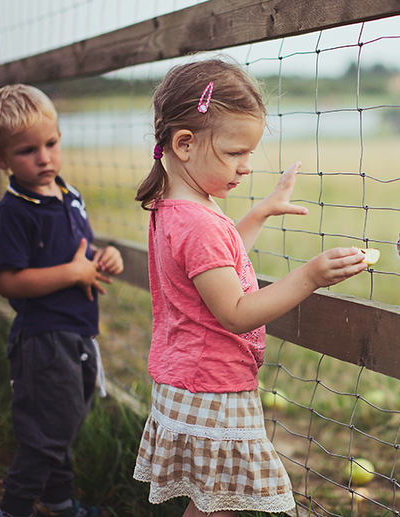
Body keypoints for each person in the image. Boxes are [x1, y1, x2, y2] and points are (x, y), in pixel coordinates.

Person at [132, 58, 368, 516]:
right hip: (212, 386)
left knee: (209, 504)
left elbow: (214, 267)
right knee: (216, 508)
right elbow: (235, 312)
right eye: (235, 153)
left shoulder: (177, 206)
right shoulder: (199, 222)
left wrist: (259, 213)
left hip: (188, 379)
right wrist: (309, 276)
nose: (246, 167)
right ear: (184, 144)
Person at [0, 84, 124, 517]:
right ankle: (13, 509)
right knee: (46, 433)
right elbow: (8, 281)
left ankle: (58, 500)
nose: (44, 157)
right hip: (43, 339)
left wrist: (103, 256)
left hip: (78, 331)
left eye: (51, 143)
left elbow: (78, 250)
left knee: (65, 423)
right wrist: (72, 274)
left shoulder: (70, 195)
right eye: (27, 150)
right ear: (1, 159)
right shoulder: (14, 211)